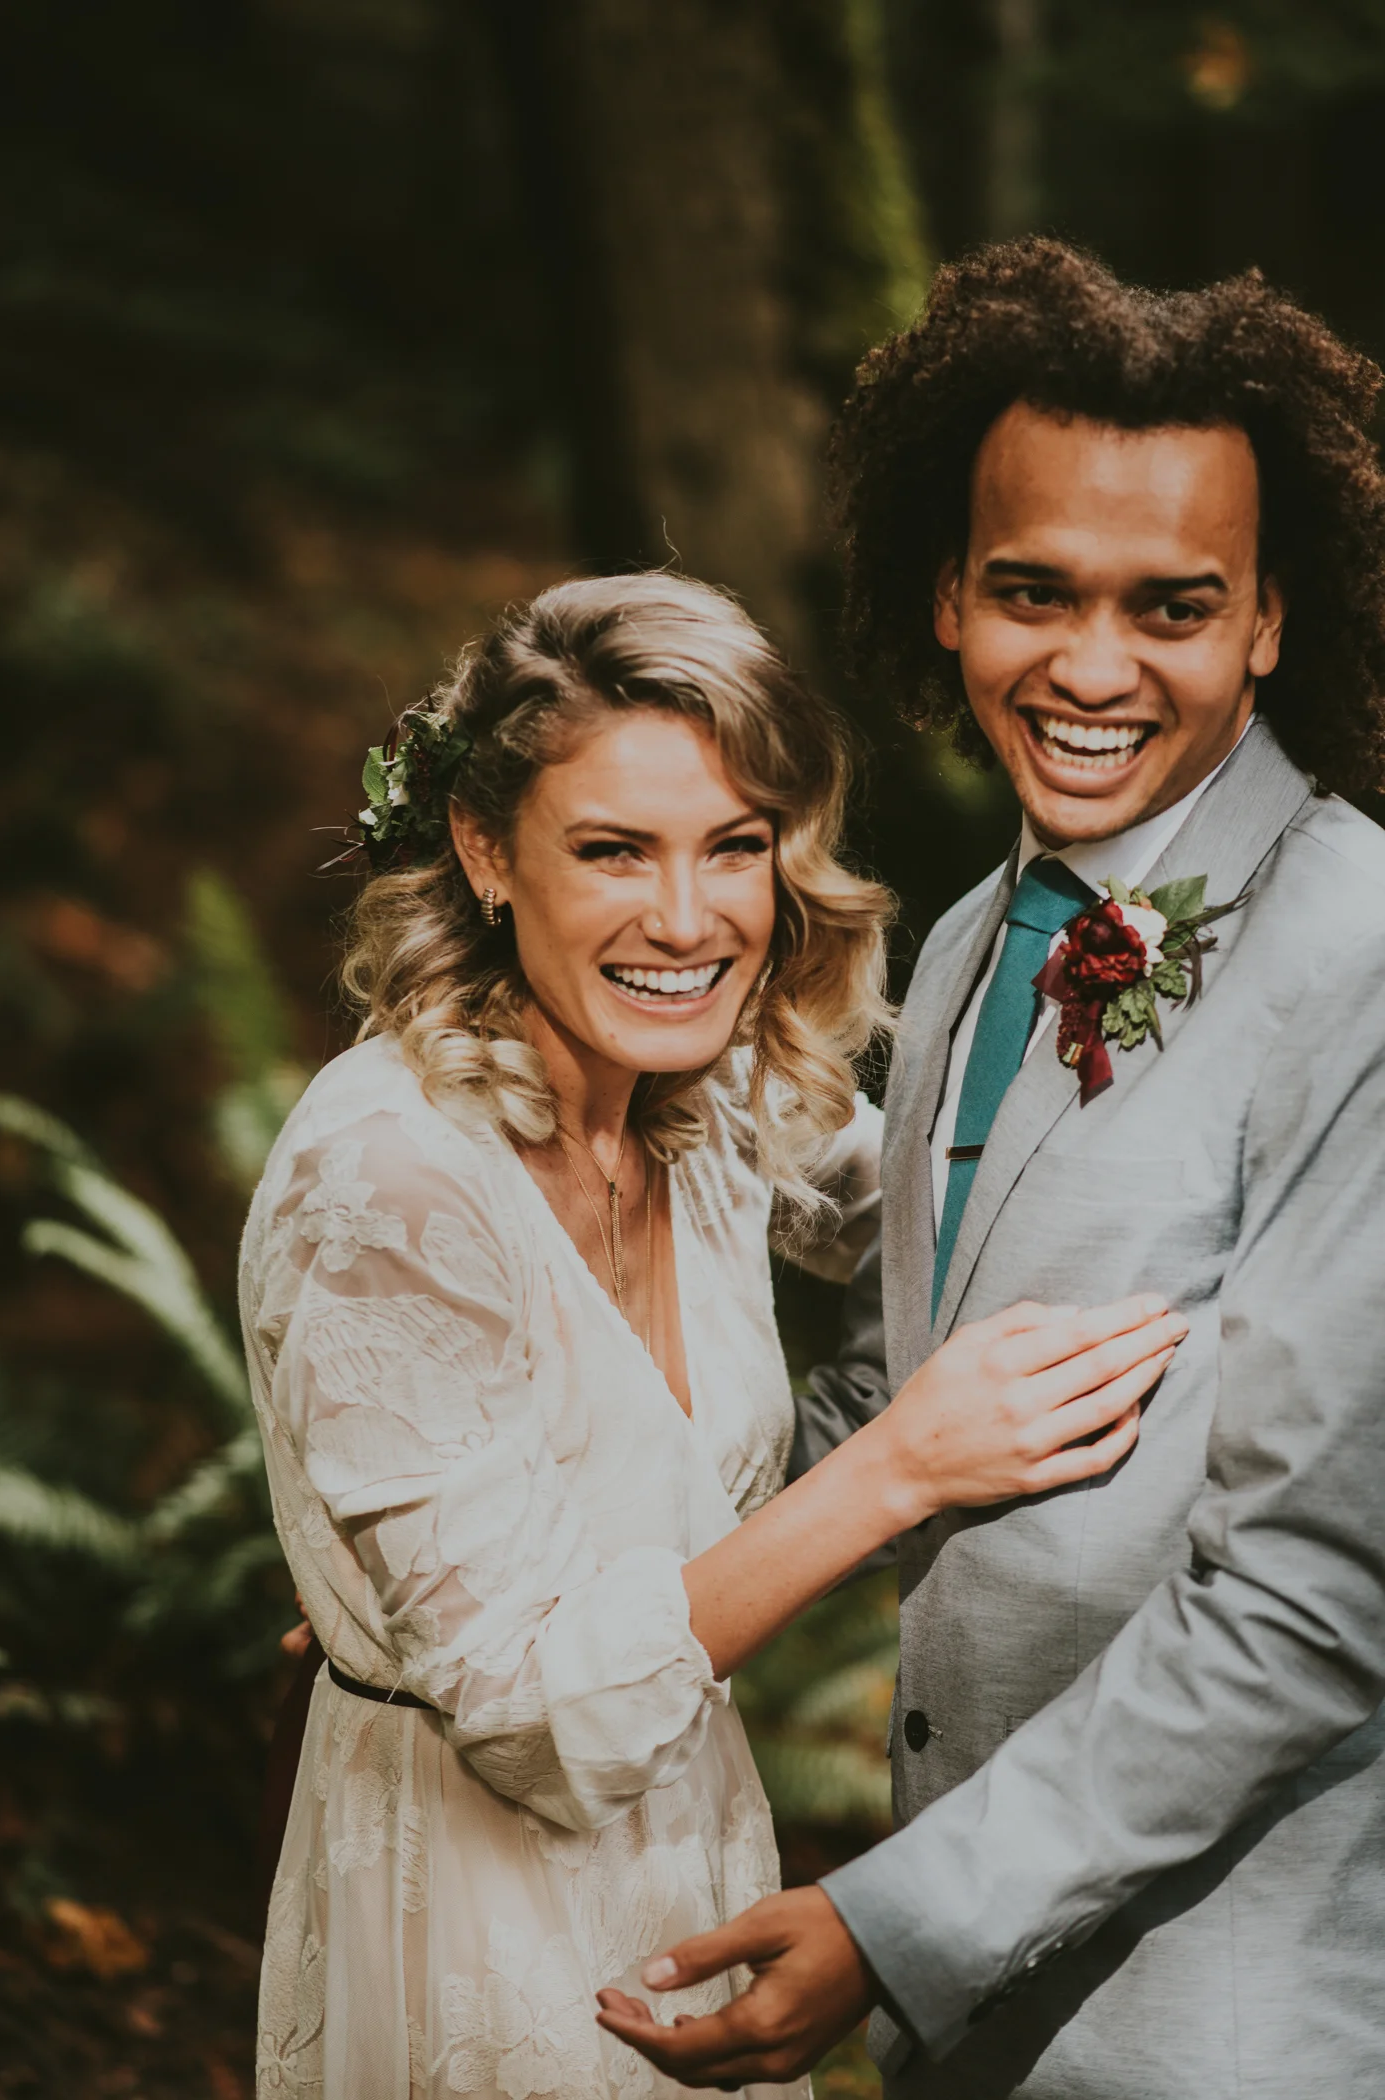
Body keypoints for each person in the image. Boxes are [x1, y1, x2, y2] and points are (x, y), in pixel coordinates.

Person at [599, 242, 1385, 2098]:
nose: (1090, 668)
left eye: (1170, 608)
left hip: (1228, 2027)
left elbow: (1315, 1591)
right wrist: (532, 1574)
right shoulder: (964, 945)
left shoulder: (1357, 955)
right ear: (946, 597)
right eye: (1031, 591)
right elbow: (898, 1388)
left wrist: (895, 1925)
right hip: (991, 2038)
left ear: (1268, 618)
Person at [240, 571, 1176, 2099]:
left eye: (733, 847)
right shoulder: (389, 1181)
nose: (687, 921)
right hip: (469, 1909)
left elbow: (955, 1227)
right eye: (612, 851)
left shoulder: (708, 1093)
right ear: (484, 852)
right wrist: (892, 1470)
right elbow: (534, 1726)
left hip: (693, 1851)